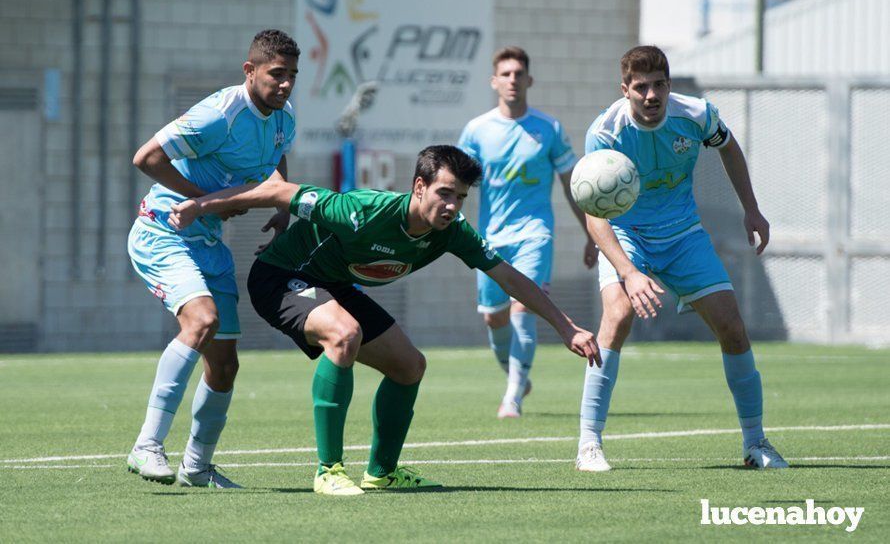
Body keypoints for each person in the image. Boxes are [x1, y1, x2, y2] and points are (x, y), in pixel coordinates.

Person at [168, 145, 601, 495]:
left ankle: (382, 471)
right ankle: (328, 470)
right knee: (344, 334)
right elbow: (277, 192)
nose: (452, 205)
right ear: (419, 186)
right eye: (444, 193)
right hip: (281, 278)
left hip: (333, 284)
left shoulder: (452, 233)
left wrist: (566, 327)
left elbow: (508, 276)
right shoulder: (362, 210)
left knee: (409, 366)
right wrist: (199, 207)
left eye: (461, 197)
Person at [575, 45, 788, 472]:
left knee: (732, 326)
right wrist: (629, 272)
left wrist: (751, 207)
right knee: (616, 317)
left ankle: (756, 443)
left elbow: (728, 148)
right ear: (625, 90)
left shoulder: (697, 114)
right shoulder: (605, 132)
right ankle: (588, 444)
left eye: (659, 85)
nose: (651, 96)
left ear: (669, 86)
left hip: (684, 236)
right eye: (641, 88)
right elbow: (594, 214)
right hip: (627, 236)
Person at [125, 29, 299, 488]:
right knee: (200, 322)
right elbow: (146, 158)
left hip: (208, 245)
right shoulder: (219, 115)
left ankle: (197, 467)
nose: (285, 84)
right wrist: (209, 200)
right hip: (164, 230)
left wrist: (282, 209)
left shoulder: (284, 120)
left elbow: (277, 160)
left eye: (292, 76)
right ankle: (146, 446)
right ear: (250, 70)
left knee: (224, 364)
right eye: (276, 74)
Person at [458, 46, 598, 419]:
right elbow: (454, 183)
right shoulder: (477, 130)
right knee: (494, 317)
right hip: (490, 238)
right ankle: (515, 375)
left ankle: (513, 397)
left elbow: (573, 185)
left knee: (525, 307)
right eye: (505, 74)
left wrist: (591, 234)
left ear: (529, 80)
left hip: (535, 234)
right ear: (494, 81)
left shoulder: (548, 129)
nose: (513, 80)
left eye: (519, 73)